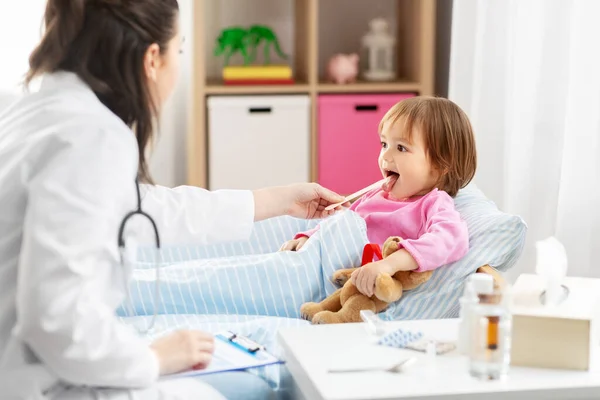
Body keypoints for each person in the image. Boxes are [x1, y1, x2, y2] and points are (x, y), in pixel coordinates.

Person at [0, 1, 347, 399]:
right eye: (178, 50)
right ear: (152, 59)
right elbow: (56, 323)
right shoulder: (90, 138)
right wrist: (153, 358)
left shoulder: (37, 109)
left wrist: (275, 201)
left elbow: (142, 207)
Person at [281, 96, 478, 298]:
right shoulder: (377, 194)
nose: (385, 156)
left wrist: (389, 264)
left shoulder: (433, 203)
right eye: (384, 144)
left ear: (440, 166)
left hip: (342, 285)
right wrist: (310, 236)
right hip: (318, 264)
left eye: (401, 148)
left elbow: (450, 240)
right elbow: (341, 224)